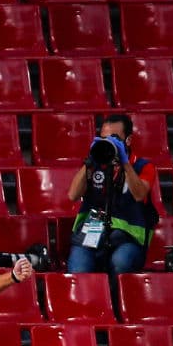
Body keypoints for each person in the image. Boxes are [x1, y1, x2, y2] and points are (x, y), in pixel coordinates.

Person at [66, 113, 157, 279]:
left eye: (113, 138)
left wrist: (124, 162)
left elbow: (139, 194)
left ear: (128, 141)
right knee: (78, 267)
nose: (108, 143)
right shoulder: (94, 164)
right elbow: (72, 195)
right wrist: (91, 160)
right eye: (104, 139)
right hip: (92, 232)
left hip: (128, 239)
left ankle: (115, 304)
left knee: (120, 262)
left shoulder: (143, 166)